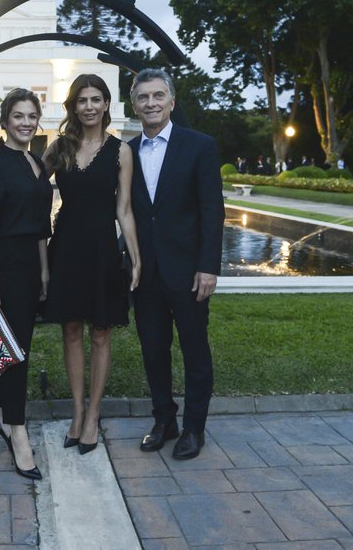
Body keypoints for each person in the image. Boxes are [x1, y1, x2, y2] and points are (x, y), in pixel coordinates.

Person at [128, 68, 224, 461]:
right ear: (134, 105)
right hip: (145, 273)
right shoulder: (126, 152)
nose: (151, 103)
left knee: (194, 350)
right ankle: (163, 419)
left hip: (188, 272)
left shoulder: (199, 146)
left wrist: (208, 266)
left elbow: (211, 210)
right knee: (153, 349)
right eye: (143, 98)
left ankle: (194, 428)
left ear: (171, 101)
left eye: (157, 96)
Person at [43, 74, 141, 455]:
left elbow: (125, 209)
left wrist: (135, 257)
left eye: (95, 99)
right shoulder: (60, 147)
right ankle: (76, 411)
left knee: (100, 332)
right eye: (82, 100)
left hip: (102, 249)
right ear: (73, 105)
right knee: (70, 330)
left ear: (106, 104)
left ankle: (94, 414)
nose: (88, 106)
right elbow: (32, 181)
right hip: (66, 246)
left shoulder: (121, 151)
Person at [0, 88, 52, 480]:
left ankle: (2, 415)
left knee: (13, 345)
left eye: (31, 115)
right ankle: (18, 433)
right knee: (12, 350)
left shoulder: (37, 163)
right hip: (4, 265)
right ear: (4, 121)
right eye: (18, 116)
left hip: (30, 265)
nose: (25, 122)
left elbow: (42, 226)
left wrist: (43, 270)